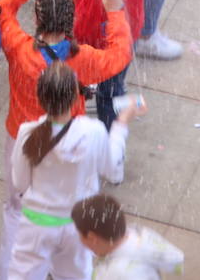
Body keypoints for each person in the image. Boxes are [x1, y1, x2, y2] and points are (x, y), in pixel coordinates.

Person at [0, 0, 131, 279]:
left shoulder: (18, 48)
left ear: (36, 20)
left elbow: (2, 9)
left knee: (15, 210)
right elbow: (120, 55)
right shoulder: (86, 60)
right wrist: (115, 12)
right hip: (73, 143)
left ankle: (8, 271)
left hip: (20, 137)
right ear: (73, 22)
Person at [9, 62, 141, 279]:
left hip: (36, 225)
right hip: (79, 227)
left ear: (40, 98)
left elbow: (20, 183)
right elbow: (113, 171)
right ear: (74, 98)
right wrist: (121, 124)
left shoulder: (27, 132)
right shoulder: (94, 132)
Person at [71, 194, 185, 279]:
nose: (79, 238)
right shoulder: (138, 235)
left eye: (79, 234)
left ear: (92, 238)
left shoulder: (114, 274)